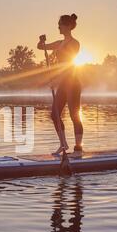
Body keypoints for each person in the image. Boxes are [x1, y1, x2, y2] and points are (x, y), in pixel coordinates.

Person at [37, 13, 84, 158]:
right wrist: (42, 41)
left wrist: (56, 49)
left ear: (68, 26)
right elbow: (40, 47)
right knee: (54, 114)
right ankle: (63, 144)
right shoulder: (59, 43)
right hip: (63, 83)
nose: (58, 26)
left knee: (74, 115)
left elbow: (68, 62)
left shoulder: (74, 43)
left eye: (60, 24)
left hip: (73, 82)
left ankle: (78, 150)